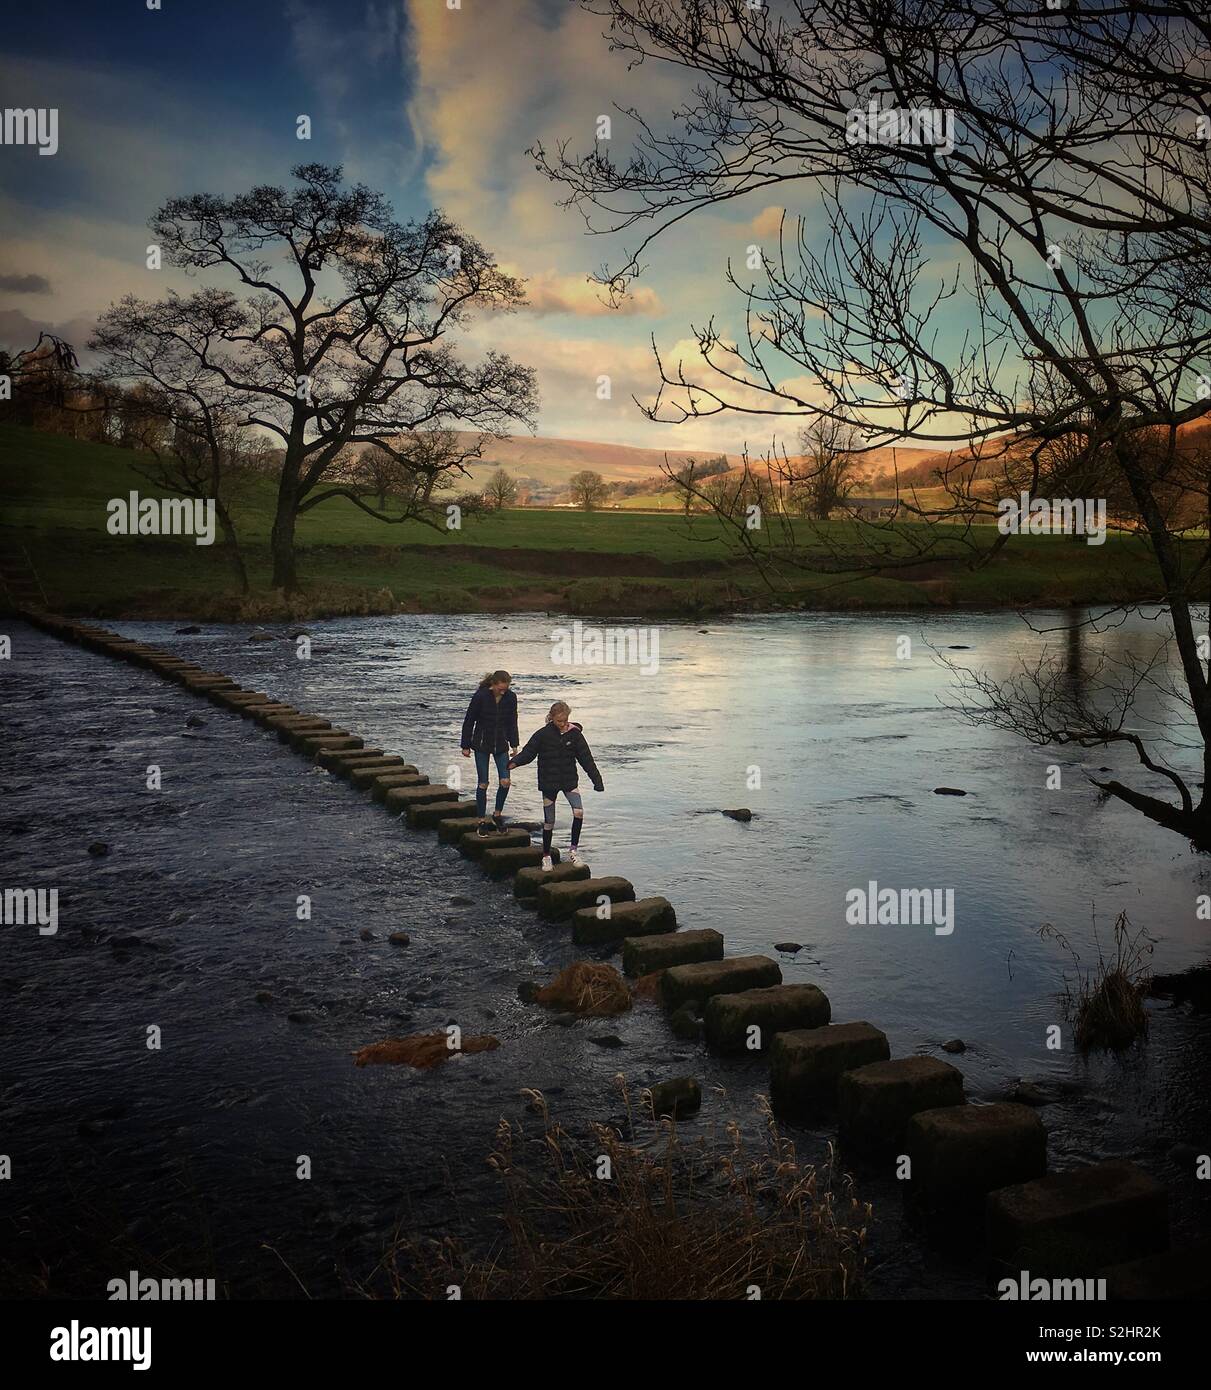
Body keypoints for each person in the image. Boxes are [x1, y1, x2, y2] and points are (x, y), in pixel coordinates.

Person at [509, 700, 604, 870]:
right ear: (551, 718)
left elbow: (586, 759)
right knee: (549, 821)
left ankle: (573, 851)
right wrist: (514, 763)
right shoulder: (542, 735)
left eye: (565, 720)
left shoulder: (575, 735)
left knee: (579, 812)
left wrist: (597, 781)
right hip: (549, 783)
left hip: (569, 781)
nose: (563, 724)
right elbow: (528, 752)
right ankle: (546, 856)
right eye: (560, 721)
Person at [460, 670, 519, 835]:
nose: (503, 691)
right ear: (493, 685)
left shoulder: (510, 698)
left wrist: (514, 744)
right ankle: (481, 821)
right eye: (501, 689)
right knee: (483, 783)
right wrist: (465, 745)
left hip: (501, 745)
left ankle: (497, 814)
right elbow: (469, 720)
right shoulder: (480, 696)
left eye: (506, 688)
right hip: (481, 745)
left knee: (505, 781)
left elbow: (512, 721)